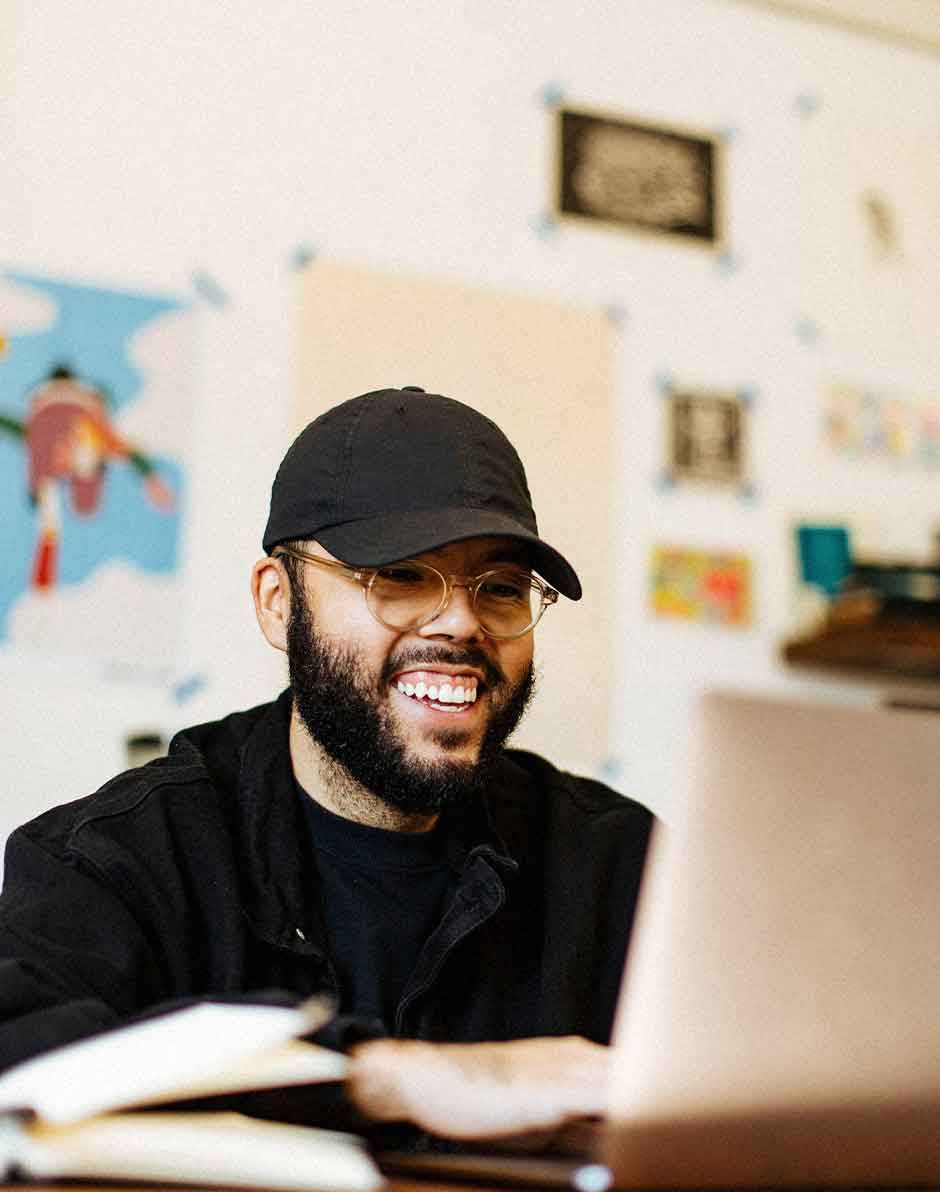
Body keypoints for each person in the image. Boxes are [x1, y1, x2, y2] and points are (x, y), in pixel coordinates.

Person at [0, 386, 652, 1143]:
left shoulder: (625, 869)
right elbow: (18, 1054)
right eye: (400, 576)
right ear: (279, 603)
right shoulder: (120, 856)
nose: (462, 623)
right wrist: (378, 1076)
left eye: (500, 589)